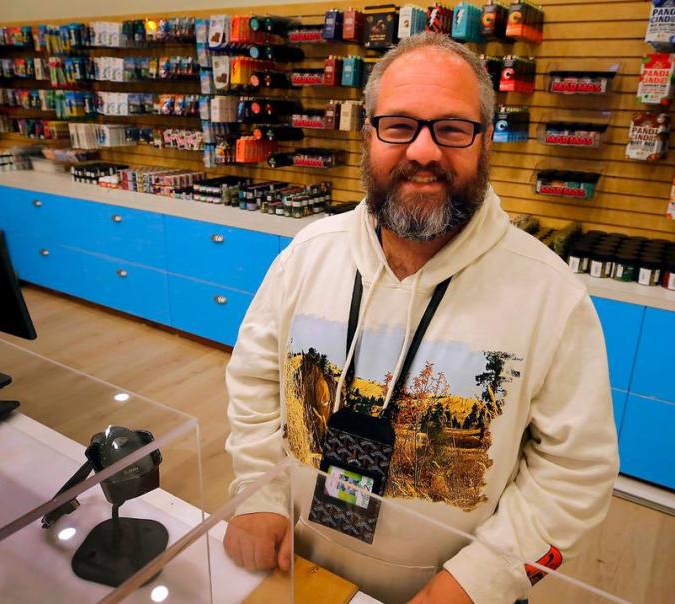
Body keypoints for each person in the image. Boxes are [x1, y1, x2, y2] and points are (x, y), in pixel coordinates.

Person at [223, 32, 619, 604]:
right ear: (367, 132)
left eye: (453, 128)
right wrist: (257, 495)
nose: (424, 151)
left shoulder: (550, 295)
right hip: (299, 568)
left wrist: (477, 582)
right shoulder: (306, 256)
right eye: (399, 125)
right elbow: (255, 380)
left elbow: (576, 472)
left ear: (486, 142)